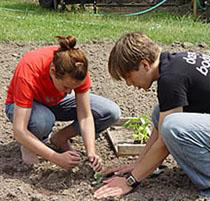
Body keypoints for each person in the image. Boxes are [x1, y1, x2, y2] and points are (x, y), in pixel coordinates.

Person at [94, 32, 210, 198]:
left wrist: (130, 182)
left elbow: (163, 142)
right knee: (161, 113)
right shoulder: (174, 64)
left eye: (128, 76)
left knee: (173, 126)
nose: (129, 83)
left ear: (144, 65)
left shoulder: (170, 80)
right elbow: (159, 129)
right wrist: (138, 164)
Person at [5, 35, 121, 172]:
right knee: (42, 121)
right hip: (23, 107)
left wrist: (91, 152)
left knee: (110, 112)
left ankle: (60, 138)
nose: (70, 91)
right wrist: (55, 157)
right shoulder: (29, 70)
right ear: (53, 72)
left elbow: (85, 116)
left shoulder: (77, 69)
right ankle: (29, 145)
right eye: (66, 87)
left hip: (56, 102)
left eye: (74, 88)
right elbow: (19, 130)